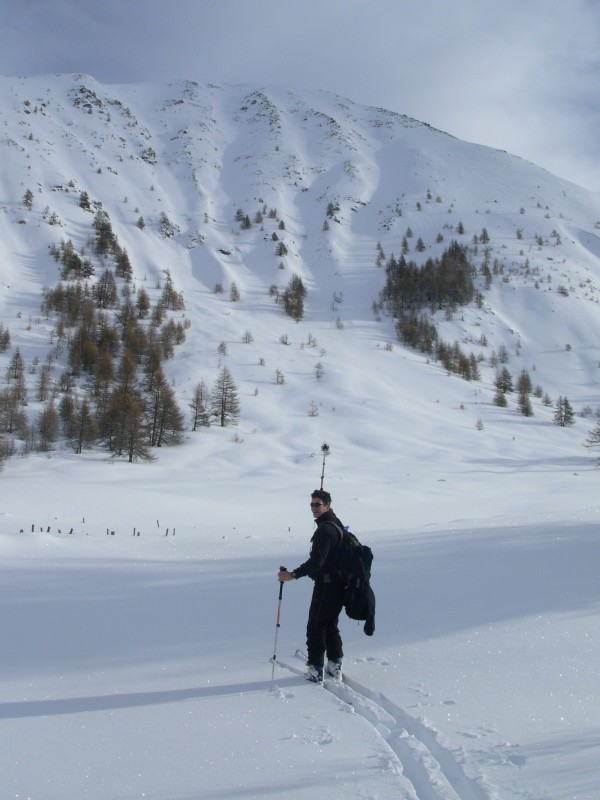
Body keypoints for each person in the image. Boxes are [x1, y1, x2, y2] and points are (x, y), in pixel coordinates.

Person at [278, 488, 345, 683]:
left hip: (327, 585)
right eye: (312, 504)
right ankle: (334, 664)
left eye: (318, 504)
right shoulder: (335, 523)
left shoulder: (325, 529)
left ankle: (316, 670)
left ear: (327, 506)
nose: (314, 508)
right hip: (339, 585)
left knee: (316, 626)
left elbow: (317, 562)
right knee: (330, 625)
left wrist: (292, 575)